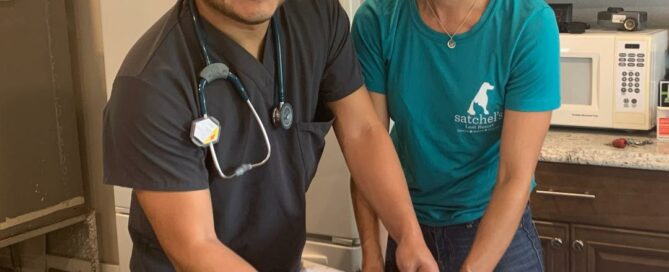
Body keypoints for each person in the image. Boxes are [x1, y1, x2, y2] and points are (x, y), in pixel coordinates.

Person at [103, 0, 439, 271]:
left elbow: (363, 131)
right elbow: (196, 247)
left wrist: (408, 233)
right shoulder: (150, 85)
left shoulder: (316, 17)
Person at [350, 0, 560, 270]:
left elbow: (514, 177)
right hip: (406, 226)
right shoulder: (378, 19)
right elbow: (367, 147)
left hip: (495, 230)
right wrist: (373, 255)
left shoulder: (528, 23)